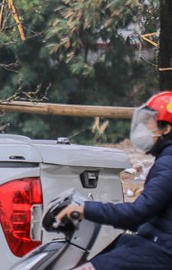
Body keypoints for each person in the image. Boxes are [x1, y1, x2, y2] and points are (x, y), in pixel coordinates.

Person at [57, 91, 172, 270]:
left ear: (166, 129)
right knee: (119, 244)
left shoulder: (168, 163)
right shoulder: (166, 159)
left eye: (149, 122)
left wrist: (85, 209)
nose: (144, 128)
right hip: (155, 244)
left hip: (161, 251)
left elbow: (137, 214)